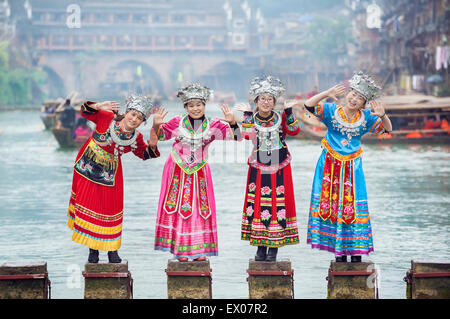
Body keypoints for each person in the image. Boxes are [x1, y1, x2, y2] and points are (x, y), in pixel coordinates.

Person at [304, 71, 392, 263]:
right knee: (334, 206)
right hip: (329, 166)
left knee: (352, 206)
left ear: (363, 103)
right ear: (346, 93)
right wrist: (327, 92)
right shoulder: (330, 111)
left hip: (353, 168)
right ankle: (340, 254)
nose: (354, 99)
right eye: (353, 94)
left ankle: (356, 252)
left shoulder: (367, 118)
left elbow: (388, 130)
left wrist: (383, 115)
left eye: (360, 98)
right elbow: (308, 106)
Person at [152, 84, 241, 261]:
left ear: (204, 105)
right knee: (178, 207)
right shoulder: (177, 122)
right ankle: (180, 250)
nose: (195, 108)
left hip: (200, 170)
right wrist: (155, 125)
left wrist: (232, 122)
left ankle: (199, 251)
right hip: (177, 169)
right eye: (191, 105)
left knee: (200, 209)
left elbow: (237, 138)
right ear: (186, 107)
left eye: (198, 104)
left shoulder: (214, 124)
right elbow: (158, 137)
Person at [67, 95, 160, 263]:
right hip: (88, 167)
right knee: (91, 206)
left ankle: (112, 251)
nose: (134, 119)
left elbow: (144, 154)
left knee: (111, 210)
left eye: (139, 118)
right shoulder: (107, 117)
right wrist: (98, 105)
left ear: (142, 122)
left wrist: (153, 145)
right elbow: (84, 111)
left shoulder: (136, 138)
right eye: (132, 114)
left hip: (111, 172)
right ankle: (93, 251)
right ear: (126, 113)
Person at [235, 76, 301, 262]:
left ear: (274, 102)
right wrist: (245, 116)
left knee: (277, 205)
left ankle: (274, 248)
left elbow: (295, 131)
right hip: (259, 169)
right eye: (262, 98)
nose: (266, 102)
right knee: (259, 205)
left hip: (280, 168)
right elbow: (245, 136)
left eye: (269, 99)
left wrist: (289, 111)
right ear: (256, 101)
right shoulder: (251, 118)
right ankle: (260, 247)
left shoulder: (280, 118)